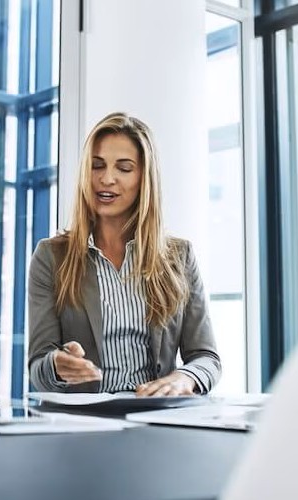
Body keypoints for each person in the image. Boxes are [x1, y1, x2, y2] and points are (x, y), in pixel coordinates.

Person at [27, 112, 220, 396]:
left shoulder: (179, 256)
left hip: (154, 417)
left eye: (124, 168)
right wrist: (57, 365)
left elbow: (207, 357)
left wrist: (184, 378)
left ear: (144, 178)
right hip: (86, 424)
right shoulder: (51, 256)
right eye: (97, 166)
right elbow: (38, 367)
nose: (107, 179)